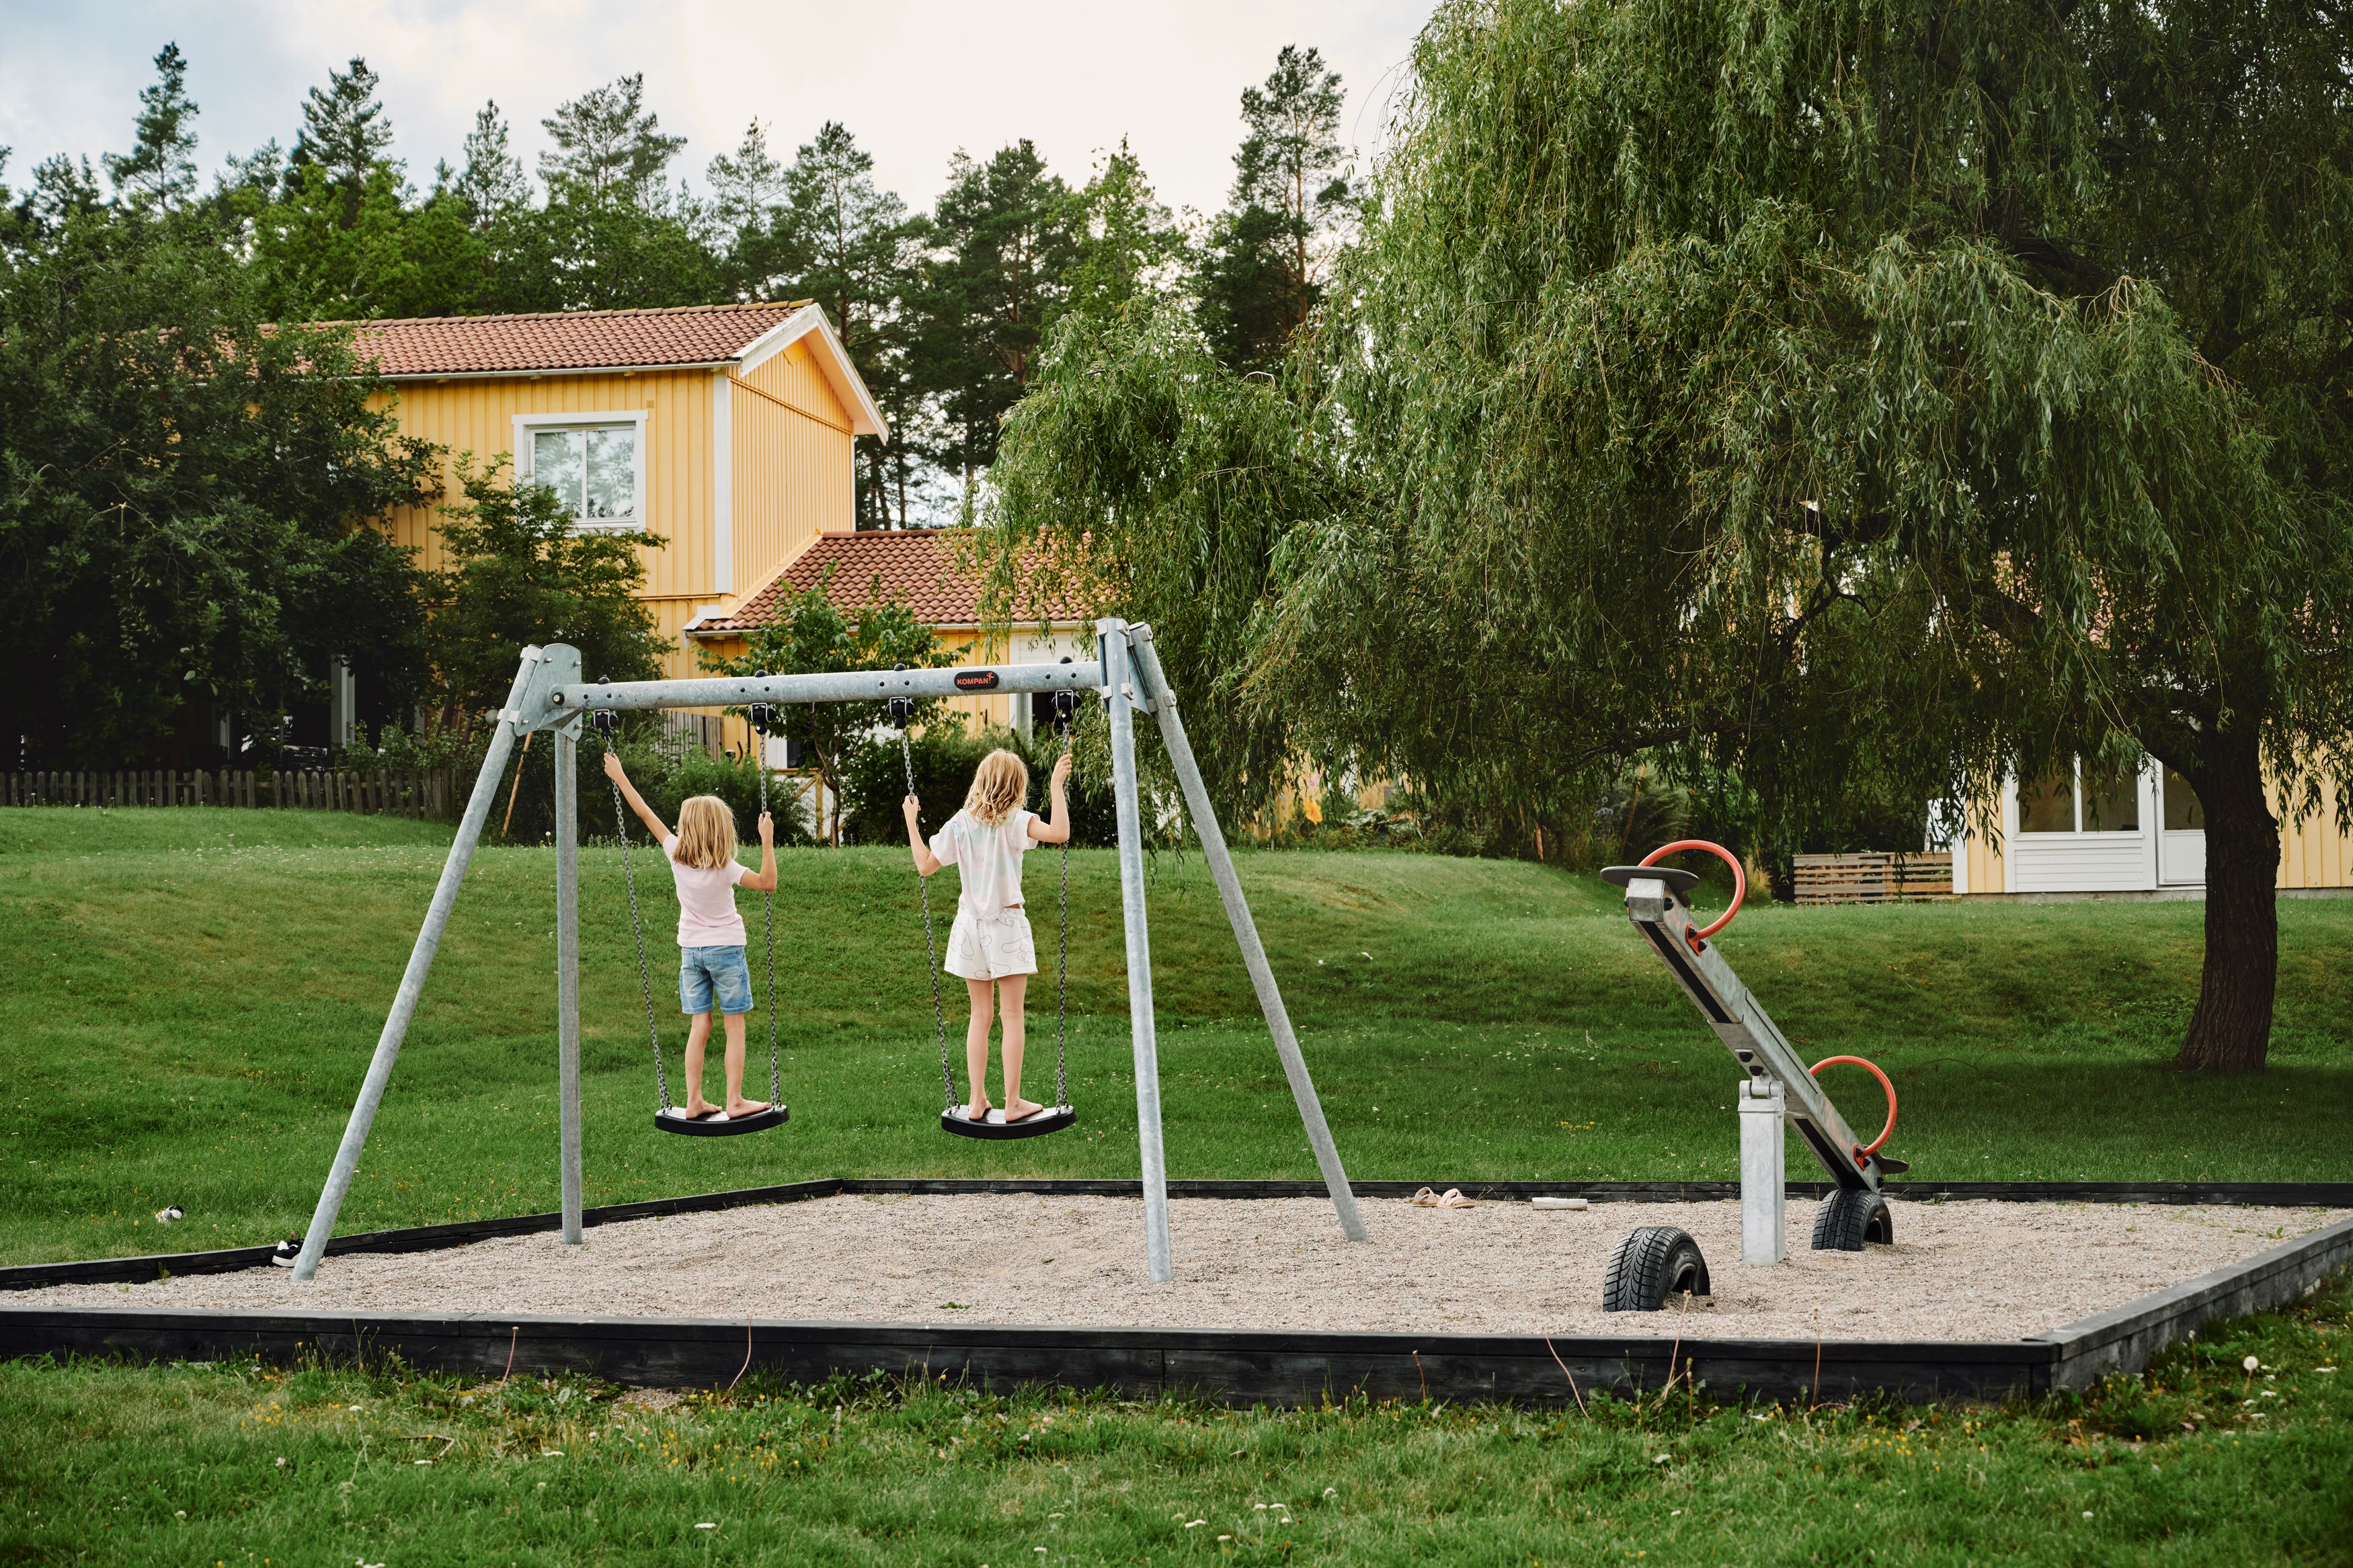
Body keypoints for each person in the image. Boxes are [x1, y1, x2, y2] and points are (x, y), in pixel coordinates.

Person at [904, 747, 1072, 1124]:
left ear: (982, 780)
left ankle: (977, 1099)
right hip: (1005, 926)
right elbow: (1060, 833)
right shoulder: (1016, 820)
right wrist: (1057, 786)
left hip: (968, 928)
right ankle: (1012, 1103)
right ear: (1016, 785)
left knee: (979, 1016)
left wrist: (911, 822)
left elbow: (925, 866)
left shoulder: (962, 823)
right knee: (1011, 1014)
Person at [605, 752, 776, 1122]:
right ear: (720, 830)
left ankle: (694, 1099)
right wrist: (767, 840)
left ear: (687, 827)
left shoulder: (675, 854)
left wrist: (620, 776)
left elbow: (644, 813)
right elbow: (768, 883)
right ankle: (734, 1100)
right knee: (734, 1025)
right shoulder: (726, 867)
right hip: (727, 950)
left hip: (691, 953)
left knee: (700, 1025)